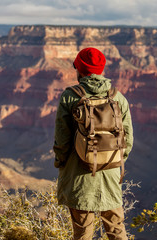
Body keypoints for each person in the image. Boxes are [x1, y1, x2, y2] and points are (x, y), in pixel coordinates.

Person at [53, 47, 134, 240]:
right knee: (116, 228)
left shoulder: (70, 96)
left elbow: (62, 139)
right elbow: (127, 139)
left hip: (79, 173)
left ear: (79, 69)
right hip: (110, 172)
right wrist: (114, 161)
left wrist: (61, 163)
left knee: (82, 231)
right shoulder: (117, 97)